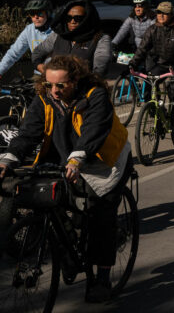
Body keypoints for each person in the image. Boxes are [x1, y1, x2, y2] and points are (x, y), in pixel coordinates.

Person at [0, 55, 132, 303]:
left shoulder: (95, 95)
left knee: (100, 216)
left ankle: (102, 278)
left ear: (75, 80)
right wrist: (8, 158)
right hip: (68, 160)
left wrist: (77, 158)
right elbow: (29, 132)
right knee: (51, 201)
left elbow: (94, 129)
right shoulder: (44, 98)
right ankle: (69, 250)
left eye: (61, 85)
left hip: (105, 160)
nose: (54, 91)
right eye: (49, 85)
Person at [32, 0, 112, 76]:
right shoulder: (58, 35)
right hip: (55, 85)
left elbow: (100, 69)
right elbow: (37, 52)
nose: (72, 21)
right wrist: (40, 66)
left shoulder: (100, 39)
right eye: (69, 18)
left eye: (78, 18)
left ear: (88, 19)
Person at [0, 0, 53, 80]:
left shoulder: (57, 30)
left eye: (39, 14)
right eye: (32, 14)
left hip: (58, 75)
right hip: (39, 75)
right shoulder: (29, 29)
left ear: (48, 13)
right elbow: (13, 53)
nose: (36, 17)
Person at [129, 1, 174, 75]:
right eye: (159, 12)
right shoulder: (152, 29)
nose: (161, 15)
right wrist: (132, 63)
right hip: (160, 65)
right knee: (149, 80)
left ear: (171, 14)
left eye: (165, 13)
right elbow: (142, 48)